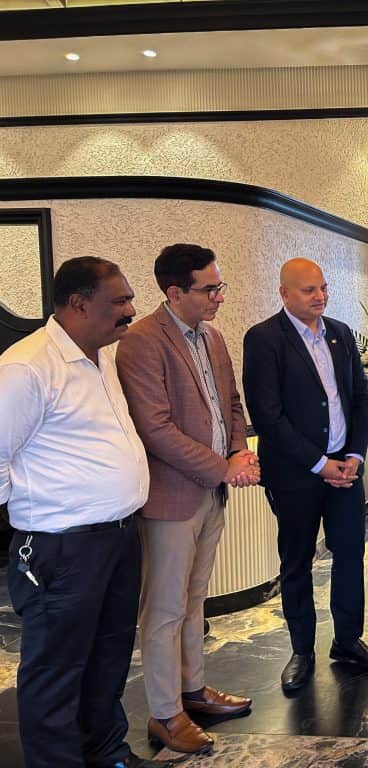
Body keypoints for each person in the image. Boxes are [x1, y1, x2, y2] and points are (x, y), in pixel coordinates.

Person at [0, 258, 173, 768]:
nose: (130, 310)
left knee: (108, 658)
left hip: (118, 536)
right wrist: (37, 515)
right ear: (78, 303)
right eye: (117, 301)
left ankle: (106, 754)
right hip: (62, 547)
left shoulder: (99, 356)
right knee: (56, 671)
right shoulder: (26, 366)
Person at [116, 244, 258, 754]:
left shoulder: (213, 337)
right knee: (165, 609)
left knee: (195, 600)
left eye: (220, 285)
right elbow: (156, 430)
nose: (220, 296)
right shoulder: (140, 343)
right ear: (174, 292)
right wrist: (223, 466)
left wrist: (240, 452)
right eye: (210, 288)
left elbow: (232, 405)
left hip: (212, 493)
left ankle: (193, 690)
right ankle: (164, 713)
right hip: (170, 500)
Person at [243, 258, 368, 694]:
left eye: (323, 288)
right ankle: (302, 650)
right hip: (296, 475)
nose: (320, 296)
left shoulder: (341, 334)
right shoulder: (264, 339)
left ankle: (347, 641)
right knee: (297, 562)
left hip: (345, 468)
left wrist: (355, 457)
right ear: (285, 293)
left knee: (350, 556)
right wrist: (318, 463)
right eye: (309, 290)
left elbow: (360, 399)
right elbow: (268, 416)